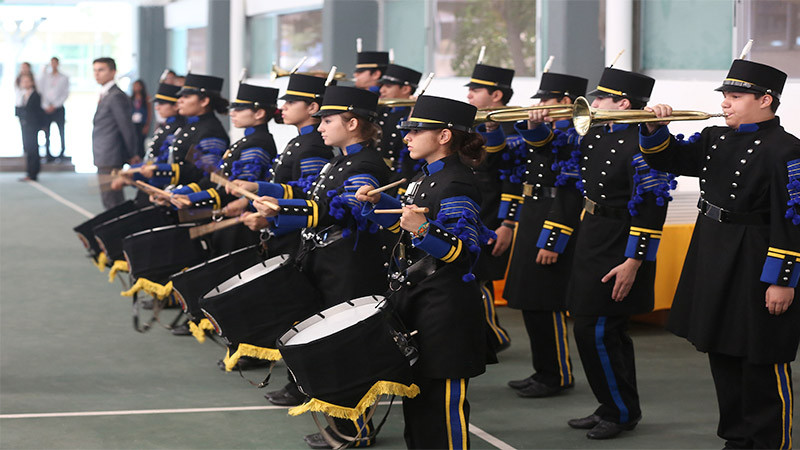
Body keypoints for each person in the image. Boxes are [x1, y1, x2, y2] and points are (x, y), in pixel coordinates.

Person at [640, 58, 800, 448]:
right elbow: (667, 158)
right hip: (712, 249)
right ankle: (735, 437)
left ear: (766, 100)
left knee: (761, 353)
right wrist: (653, 127)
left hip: (757, 255)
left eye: (736, 96)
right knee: (721, 349)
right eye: (725, 96)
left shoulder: (787, 149)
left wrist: (781, 281)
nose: (726, 103)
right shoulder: (715, 138)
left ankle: (766, 441)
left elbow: (793, 220)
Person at [251, 85, 392, 449]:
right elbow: (316, 204)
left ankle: (355, 430)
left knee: (347, 349)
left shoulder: (367, 164)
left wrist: (284, 210)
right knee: (331, 348)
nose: (321, 125)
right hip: (327, 262)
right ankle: (343, 426)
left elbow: (345, 209)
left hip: (350, 268)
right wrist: (275, 211)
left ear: (354, 122)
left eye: (328, 120)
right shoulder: (340, 160)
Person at [357, 95, 494, 449]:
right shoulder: (423, 177)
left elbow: (465, 253)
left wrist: (422, 229)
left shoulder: (457, 183)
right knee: (417, 403)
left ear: (445, 136)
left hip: (446, 309)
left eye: (416, 131)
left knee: (441, 408)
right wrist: (378, 206)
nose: (407, 137)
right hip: (418, 301)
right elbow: (407, 234)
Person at [565, 67, 671, 440]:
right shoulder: (597, 133)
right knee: (603, 331)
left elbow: (653, 206)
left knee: (596, 331)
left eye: (602, 98)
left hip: (619, 243)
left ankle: (621, 411)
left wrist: (633, 261)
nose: (593, 104)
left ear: (623, 103)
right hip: (593, 234)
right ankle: (613, 405)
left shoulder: (642, 143)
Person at [228, 72, 335, 406]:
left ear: (313, 106)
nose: (283, 106)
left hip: (297, 237)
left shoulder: (314, 144)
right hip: (284, 232)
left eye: (291, 101)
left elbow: (309, 197)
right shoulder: (299, 141)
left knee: (299, 312)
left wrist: (274, 214)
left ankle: (299, 383)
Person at [504, 71, 588, 398]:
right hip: (533, 212)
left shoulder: (577, 133)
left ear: (567, 101)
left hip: (554, 217)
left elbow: (570, 193)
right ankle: (543, 369)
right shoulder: (549, 130)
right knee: (529, 299)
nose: (539, 105)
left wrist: (554, 239)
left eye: (547, 99)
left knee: (546, 300)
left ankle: (557, 374)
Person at [169, 82, 279, 255]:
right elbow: (216, 177)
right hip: (228, 217)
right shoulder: (248, 140)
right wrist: (186, 193)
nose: (232, 113)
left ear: (259, 113)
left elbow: (239, 189)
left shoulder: (258, 142)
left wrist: (195, 199)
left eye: (240, 109)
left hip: (240, 224)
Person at [466, 62, 519, 352]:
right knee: (473, 275)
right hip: (476, 209)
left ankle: (494, 337)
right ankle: (486, 335)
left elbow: (513, 179)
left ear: (496, 95)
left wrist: (508, 223)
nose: (470, 95)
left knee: (480, 277)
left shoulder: (513, 127)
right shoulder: (474, 123)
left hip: (494, 213)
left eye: (476, 90)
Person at [138, 73, 229, 189]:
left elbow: (205, 173)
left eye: (186, 97)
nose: (179, 101)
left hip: (191, 198)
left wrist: (159, 172)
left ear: (204, 101)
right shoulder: (190, 126)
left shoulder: (211, 130)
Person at [91, 57, 139, 209]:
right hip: (104, 155)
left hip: (111, 156)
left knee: (112, 201)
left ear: (113, 72)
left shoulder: (116, 96)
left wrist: (132, 153)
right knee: (109, 199)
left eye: (101, 70)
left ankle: (118, 232)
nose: (97, 74)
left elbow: (126, 126)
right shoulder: (106, 94)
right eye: (95, 70)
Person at [375, 63, 422, 179]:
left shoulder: (412, 115)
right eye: (382, 85)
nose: (382, 90)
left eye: (388, 86)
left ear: (406, 89)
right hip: (378, 170)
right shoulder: (381, 111)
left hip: (401, 174)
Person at [39, 57, 70, 162]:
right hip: (46, 108)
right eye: (51, 63)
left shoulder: (64, 77)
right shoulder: (45, 77)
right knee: (47, 132)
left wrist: (55, 105)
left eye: (55, 63)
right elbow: (41, 91)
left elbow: (65, 93)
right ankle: (48, 153)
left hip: (58, 108)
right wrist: (46, 105)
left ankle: (62, 152)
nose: (53, 65)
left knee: (61, 131)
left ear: (58, 64)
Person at [14, 72, 44, 181]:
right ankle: (29, 172)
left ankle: (33, 173)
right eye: (23, 81)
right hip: (24, 125)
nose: (25, 83)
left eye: (27, 81)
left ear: (32, 82)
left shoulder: (36, 95)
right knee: (27, 148)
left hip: (33, 125)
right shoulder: (21, 95)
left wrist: (41, 126)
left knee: (33, 148)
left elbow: (39, 112)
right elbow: (18, 110)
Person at [130, 79, 152, 159]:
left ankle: (141, 158)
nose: (136, 88)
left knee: (140, 142)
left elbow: (149, 112)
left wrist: (147, 125)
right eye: (134, 86)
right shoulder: (131, 98)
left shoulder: (146, 98)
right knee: (133, 142)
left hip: (142, 123)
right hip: (133, 123)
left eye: (138, 86)